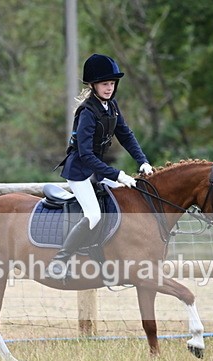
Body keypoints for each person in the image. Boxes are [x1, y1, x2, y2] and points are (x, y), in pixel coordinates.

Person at [48, 53, 153, 280]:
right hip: (79, 172)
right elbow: (85, 154)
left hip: (96, 170)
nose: (109, 88)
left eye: (112, 84)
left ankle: (109, 254)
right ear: (93, 85)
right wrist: (118, 174)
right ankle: (60, 261)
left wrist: (142, 160)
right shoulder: (87, 112)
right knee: (94, 214)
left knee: (123, 202)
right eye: (105, 84)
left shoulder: (111, 107)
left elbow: (126, 135)